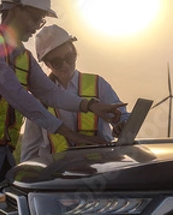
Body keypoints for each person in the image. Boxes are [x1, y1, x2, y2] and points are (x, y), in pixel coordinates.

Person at [0, 0, 125, 215]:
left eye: (41, 21)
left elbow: (50, 93)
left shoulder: (25, 57)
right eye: (35, 18)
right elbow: (17, 95)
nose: (36, 27)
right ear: (15, 9)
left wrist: (91, 105)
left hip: (2, 161)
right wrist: (67, 132)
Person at [20, 24, 130, 162]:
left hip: (101, 168)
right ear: (47, 64)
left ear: (75, 52)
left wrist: (122, 125)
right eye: (57, 62)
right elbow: (31, 147)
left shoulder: (98, 84)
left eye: (69, 57)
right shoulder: (40, 98)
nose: (65, 64)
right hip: (59, 175)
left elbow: (122, 116)